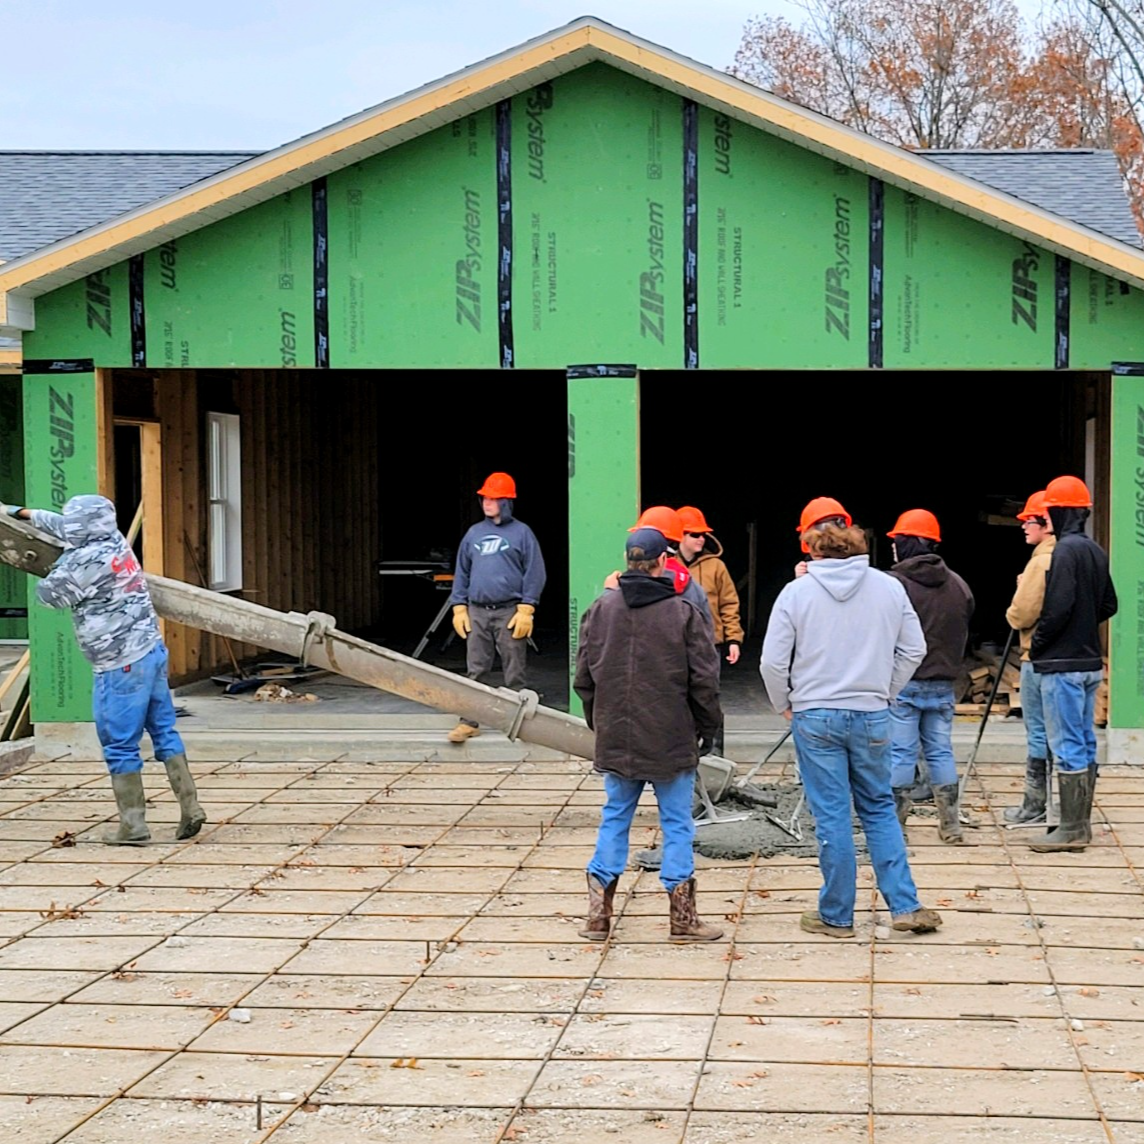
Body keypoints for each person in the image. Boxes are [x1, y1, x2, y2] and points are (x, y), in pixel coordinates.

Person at [760, 502, 941, 938]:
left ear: (811, 548)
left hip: (815, 715)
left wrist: (785, 702)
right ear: (859, 544)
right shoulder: (888, 588)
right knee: (878, 808)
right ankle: (905, 905)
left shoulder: (795, 593)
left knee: (833, 815)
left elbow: (771, 661)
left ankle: (836, 915)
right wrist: (886, 690)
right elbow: (914, 650)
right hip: (872, 714)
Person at [2, 495, 204, 845]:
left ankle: (134, 827)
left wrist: (54, 563)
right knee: (164, 731)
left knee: (119, 744)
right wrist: (13, 512)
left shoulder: (82, 561)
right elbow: (57, 524)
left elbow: (49, 596)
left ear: (80, 528)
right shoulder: (113, 540)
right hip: (150, 651)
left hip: (119, 665)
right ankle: (191, 808)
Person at [574, 526, 723, 943]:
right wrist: (707, 727)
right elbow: (704, 683)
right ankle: (682, 919)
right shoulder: (682, 613)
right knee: (677, 823)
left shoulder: (600, 610)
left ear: (628, 562)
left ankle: (598, 917)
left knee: (615, 816)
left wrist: (599, 721)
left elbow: (584, 678)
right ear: (663, 563)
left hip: (617, 736)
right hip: (671, 737)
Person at [1027, 476, 1117, 853]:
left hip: (1061, 666)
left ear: (1059, 512)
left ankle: (1072, 828)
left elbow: (1058, 606)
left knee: (1065, 744)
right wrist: (1084, 625)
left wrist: (1041, 642)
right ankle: (1079, 823)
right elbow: (1110, 604)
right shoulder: (1095, 550)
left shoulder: (1064, 552)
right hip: (1090, 664)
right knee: (1084, 740)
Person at [886, 509, 974, 844]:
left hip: (905, 682)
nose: (893, 546)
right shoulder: (958, 585)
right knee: (940, 751)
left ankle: (896, 828)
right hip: (943, 684)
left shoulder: (893, 585)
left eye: (897, 540)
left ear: (907, 543)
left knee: (901, 753)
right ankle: (950, 826)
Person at [447, 472, 546, 744]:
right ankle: (469, 722)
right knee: (476, 668)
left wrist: (527, 607)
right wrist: (459, 606)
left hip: (510, 611)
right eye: (485, 498)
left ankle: (516, 725)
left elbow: (535, 572)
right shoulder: (474, 534)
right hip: (477, 610)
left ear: (507, 501)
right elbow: (462, 572)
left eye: (493, 498)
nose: (486, 503)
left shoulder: (522, 533)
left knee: (514, 669)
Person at [1003, 490, 1056, 824]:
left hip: (1036, 658)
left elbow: (1022, 615)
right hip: (1062, 659)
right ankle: (1060, 806)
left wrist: (1019, 593)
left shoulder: (1041, 560)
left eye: (1029, 520)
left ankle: (1035, 805)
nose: (1023, 525)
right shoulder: (1072, 554)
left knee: (1038, 732)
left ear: (1046, 524)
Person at [676, 505, 743, 755]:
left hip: (709, 643)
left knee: (708, 696)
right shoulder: (667, 566)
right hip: (676, 644)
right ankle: (682, 751)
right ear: (680, 535)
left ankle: (715, 753)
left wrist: (733, 639)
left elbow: (729, 602)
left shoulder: (716, 567)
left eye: (703, 534)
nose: (701, 538)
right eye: (694, 534)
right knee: (678, 697)